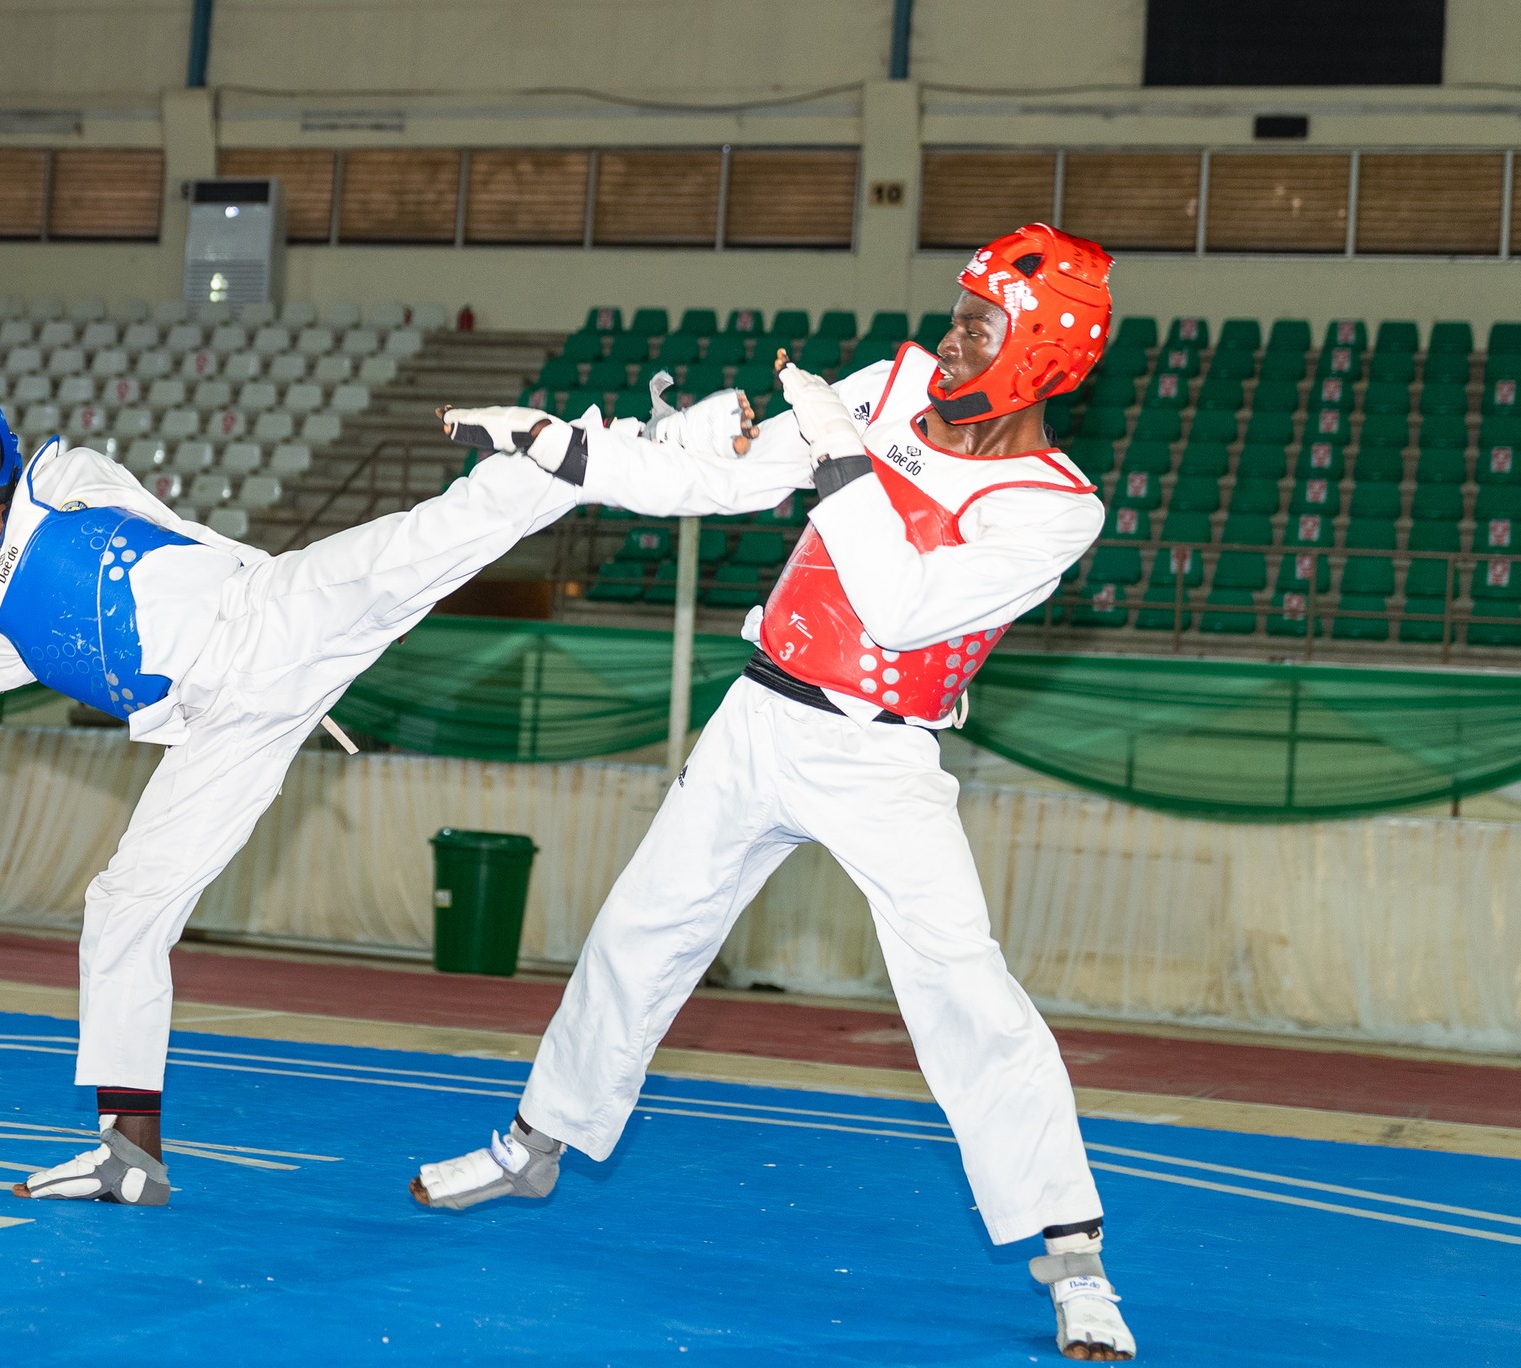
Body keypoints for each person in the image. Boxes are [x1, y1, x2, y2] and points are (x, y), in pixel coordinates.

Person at [410, 225, 1135, 1360]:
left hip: (880, 756)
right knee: (638, 934)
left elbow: (897, 606)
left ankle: (1072, 1254)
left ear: (1038, 354)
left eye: (977, 324)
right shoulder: (889, 385)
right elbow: (722, 474)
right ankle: (531, 1147)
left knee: (960, 983)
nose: (949, 337)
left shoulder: (1053, 506)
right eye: (955, 312)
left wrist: (844, 451)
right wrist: (566, 453)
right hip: (758, 713)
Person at [0, 364, 646, 1208]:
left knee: (419, 542)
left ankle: (600, 450)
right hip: (222, 726)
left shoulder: (64, 476)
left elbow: (145, 546)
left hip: (266, 622)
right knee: (124, 907)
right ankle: (128, 1151)